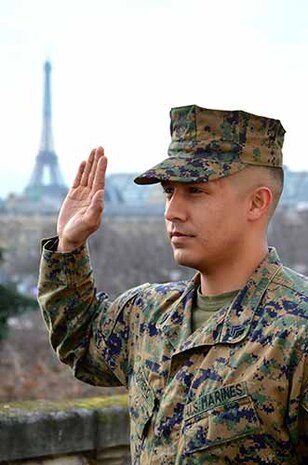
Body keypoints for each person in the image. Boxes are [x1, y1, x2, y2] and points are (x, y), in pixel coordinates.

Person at [38, 105, 308, 464]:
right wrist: (68, 247)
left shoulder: (295, 332)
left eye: (195, 191)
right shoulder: (150, 314)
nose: (172, 211)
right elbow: (80, 339)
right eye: (169, 192)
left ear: (257, 203)